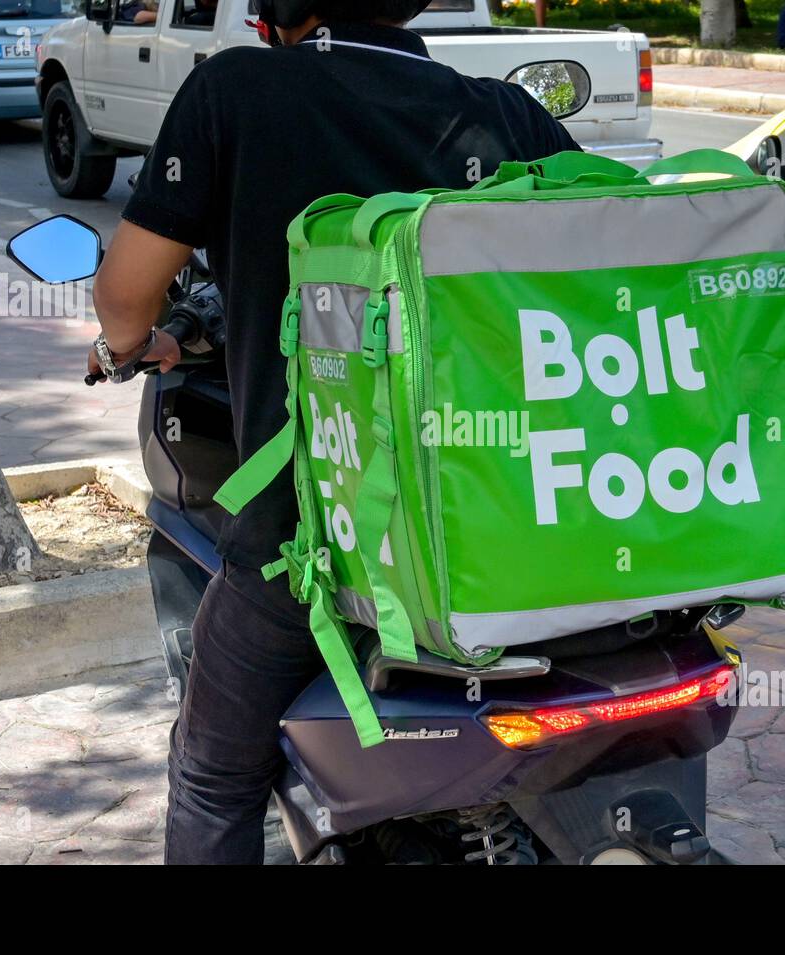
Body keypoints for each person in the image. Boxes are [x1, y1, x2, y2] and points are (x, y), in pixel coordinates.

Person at [87, 0, 579, 864]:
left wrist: (126, 344)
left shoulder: (233, 91)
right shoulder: (508, 112)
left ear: (280, 11)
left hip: (320, 543)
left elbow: (126, 296)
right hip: (516, 530)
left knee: (210, 773)